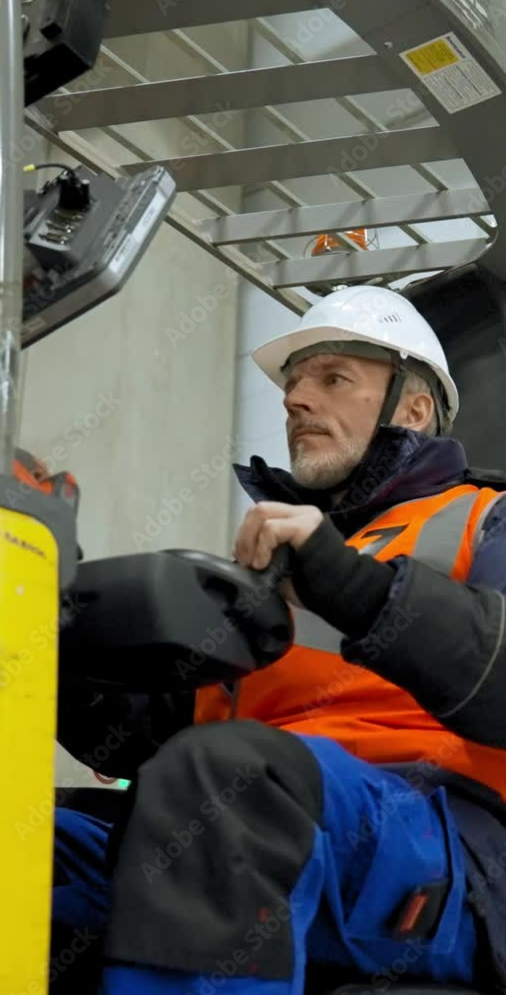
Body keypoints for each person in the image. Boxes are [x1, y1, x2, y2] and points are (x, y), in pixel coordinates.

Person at [54, 285, 506, 995]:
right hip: (255, 819)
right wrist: (49, 642)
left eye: (332, 379)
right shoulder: (271, 565)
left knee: (230, 780)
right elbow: (161, 743)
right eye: (293, 385)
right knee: (0, 838)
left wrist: (353, 585)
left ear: (413, 411)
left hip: (445, 846)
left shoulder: (486, 520)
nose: (295, 400)